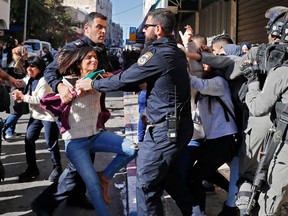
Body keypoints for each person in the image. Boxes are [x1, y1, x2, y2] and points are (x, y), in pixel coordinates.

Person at [76, 8, 194, 216]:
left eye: (147, 27)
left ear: (157, 29)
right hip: (174, 126)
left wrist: (92, 84)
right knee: (169, 179)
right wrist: (109, 80)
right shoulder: (173, 51)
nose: (144, 31)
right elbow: (134, 80)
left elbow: (127, 78)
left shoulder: (159, 53)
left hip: (165, 129)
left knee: (146, 184)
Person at [31, 12, 116, 215]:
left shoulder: (100, 50)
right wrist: (60, 87)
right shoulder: (74, 49)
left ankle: (77, 196)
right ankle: (44, 203)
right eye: (99, 27)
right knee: (77, 165)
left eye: (105, 28)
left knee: (89, 157)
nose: (103, 31)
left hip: (94, 114)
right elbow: (51, 71)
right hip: (76, 116)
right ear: (87, 29)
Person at [43, 45, 137, 216]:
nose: (94, 60)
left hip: (97, 135)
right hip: (76, 143)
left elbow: (120, 78)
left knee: (132, 149)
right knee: (92, 186)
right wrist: (65, 93)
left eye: (95, 57)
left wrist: (109, 78)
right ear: (79, 64)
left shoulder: (100, 79)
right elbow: (46, 99)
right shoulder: (68, 82)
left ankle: (105, 177)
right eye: (88, 58)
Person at [244, 19, 288, 215]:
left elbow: (257, 107)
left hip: (284, 144)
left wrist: (252, 81)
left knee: (271, 197)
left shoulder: (281, 73)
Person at [11, 56, 62, 183]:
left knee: (51, 144)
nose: (29, 68)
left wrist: (22, 97)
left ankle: (57, 168)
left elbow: (40, 100)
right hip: (36, 116)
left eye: (32, 66)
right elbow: (23, 81)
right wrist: (12, 81)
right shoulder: (30, 78)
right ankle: (32, 168)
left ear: (40, 68)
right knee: (29, 139)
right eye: (28, 65)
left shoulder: (44, 80)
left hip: (48, 116)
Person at [2, 46, 29, 140]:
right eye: (25, 53)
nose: (27, 55)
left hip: (21, 89)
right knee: (16, 112)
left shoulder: (22, 63)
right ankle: (3, 129)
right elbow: (9, 80)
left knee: (18, 112)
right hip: (15, 90)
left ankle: (10, 131)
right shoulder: (13, 65)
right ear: (20, 54)